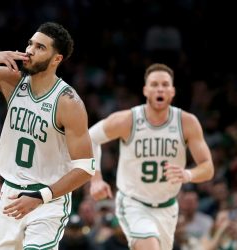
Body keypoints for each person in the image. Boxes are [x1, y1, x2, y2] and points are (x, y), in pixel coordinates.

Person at [0, 21, 95, 249]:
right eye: (30, 43)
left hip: (48, 198)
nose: (30, 50)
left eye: (40, 47)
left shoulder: (68, 102)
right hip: (10, 193)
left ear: (56, 59)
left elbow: (86, 168)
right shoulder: (11, 80)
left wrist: (41, 197)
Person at [89, 63, 214, 250]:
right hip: (133, 203)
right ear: (145, 90)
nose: (160, 88)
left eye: (165, 84)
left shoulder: (187, 123)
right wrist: (96, 180)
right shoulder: (127, 120)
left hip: (168, 207)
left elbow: (208, 168)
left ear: (172, 91)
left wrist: (188, 175)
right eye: (154, 84)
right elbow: (90, 138)